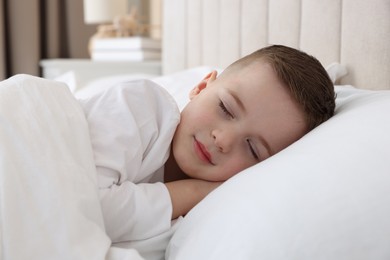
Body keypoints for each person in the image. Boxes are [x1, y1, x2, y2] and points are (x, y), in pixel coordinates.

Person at [79, 45, 335, 244]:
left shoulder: (201, 220)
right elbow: (83, 208)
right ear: (201, 87)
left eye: (252, 149)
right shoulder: (140, 106)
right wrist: (196, 191)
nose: (222, 140)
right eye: (226, 108)